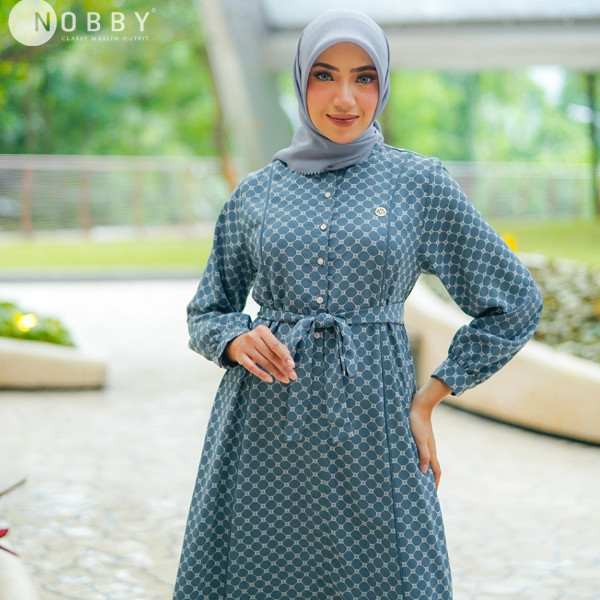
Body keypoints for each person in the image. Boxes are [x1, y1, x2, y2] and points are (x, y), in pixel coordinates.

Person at [173, 8, 543, 600]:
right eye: (325, 75)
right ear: (301, 82)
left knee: (397, 578)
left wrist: (431, 395)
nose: (344, 98)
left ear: (383, 85)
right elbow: (206, 311)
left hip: (378, 426)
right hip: (262, 430)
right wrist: (236, 338)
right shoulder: (257, 193)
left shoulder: (419, 185)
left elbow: (515, 301)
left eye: (363, 77)